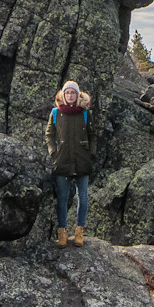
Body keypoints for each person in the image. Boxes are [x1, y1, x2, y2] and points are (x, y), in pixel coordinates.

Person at [45, 79, 96, 247]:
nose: (70, 95)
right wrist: (53, 152)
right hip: (62, 160)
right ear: (63, 94)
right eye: (67, 92)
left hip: (82, 161)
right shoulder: (55, 113)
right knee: (62, 197)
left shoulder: (85, 113)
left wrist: (90, 154)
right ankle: (62, 232)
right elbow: (49, 135)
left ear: (77, 94)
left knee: (83, 196)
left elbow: (92, 135)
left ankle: (79, 231)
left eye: (73, 92)